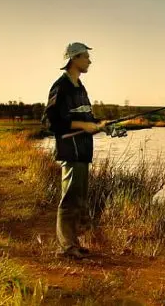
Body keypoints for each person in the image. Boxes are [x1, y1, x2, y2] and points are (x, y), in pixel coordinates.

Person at [44, 42, 107, 259]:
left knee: (79, 198)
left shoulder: (80, 87)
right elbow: (51, 122)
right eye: (86, 57)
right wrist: (82, 126)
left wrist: (99, 125)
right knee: (69, 199)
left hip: (83, 151)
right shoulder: (61, 87)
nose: (90, 61)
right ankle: (66, 248)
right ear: (74, 59)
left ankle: (73, 243)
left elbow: (85, 119)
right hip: (70, 152)